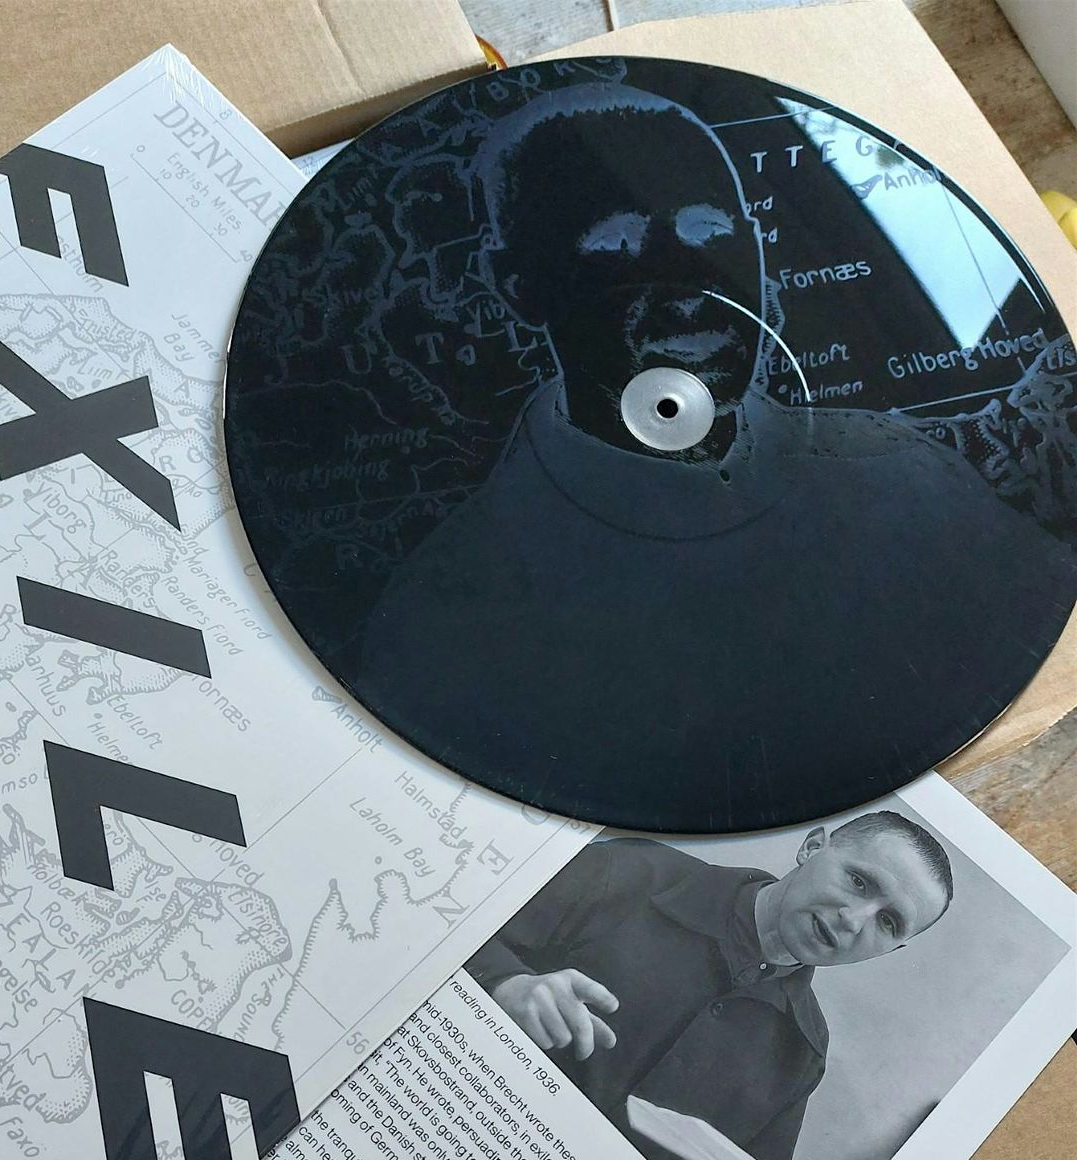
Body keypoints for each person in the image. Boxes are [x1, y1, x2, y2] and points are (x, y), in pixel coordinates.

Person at [359, 85, 1076, 833]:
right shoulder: (449, 617)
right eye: (616, 244)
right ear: (520, 285)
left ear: (757, 254)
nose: (690, 285)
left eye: (710, 231)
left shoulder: (902, 471)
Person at [466, 812, 954, 1160]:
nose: (855, 920)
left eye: (889, 922)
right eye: (859, 882)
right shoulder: (634, 871)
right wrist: (506, 983)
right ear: (811, 847)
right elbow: (447, 920)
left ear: (895, 949)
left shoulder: (802, 1054)